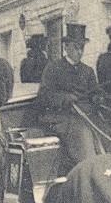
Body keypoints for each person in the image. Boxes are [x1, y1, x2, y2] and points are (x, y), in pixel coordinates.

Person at [37, 23, 105, 172]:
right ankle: (89, 170)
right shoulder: (53, 68)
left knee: (103, 131)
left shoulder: (87, 71)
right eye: (76, 47)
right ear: (66, 47)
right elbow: (43, 96)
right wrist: (65, 98)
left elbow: (96, 92)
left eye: (82, 47)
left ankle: (106, 169)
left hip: (85, 115)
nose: (80, 52)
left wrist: (98, 98)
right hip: (59, 117)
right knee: (82, 133)